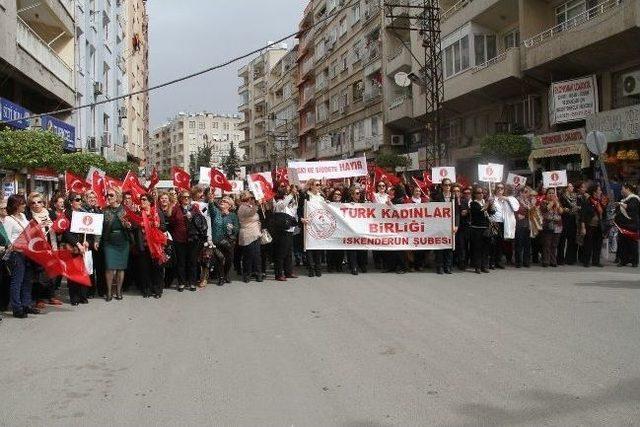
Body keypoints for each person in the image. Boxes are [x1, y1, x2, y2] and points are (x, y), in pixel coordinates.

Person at [25, 192, 62, 308]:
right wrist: (39, 226)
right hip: (37, 248)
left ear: (43, 203)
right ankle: (38, 298)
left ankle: (51, 296)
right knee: (39, 274)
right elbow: (26, 233)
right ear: (29, 205)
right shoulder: (28, 216)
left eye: (39, 202)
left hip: (52, 245)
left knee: (52, 272)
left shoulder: (50, 213)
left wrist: (59, 228)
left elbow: (59, 227)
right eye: (33, 203)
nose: (36, 205)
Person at [4, 194, 38, 318]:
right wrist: (17, 246)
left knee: (27, 280)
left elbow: (29, 231)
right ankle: (16, 308)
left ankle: (26, 304)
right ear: (15, 205)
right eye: (22, 203)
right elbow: (7, 239)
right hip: (16, 253)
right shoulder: (8, 219)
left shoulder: (23, 216)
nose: (24, 205)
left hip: (27, 252)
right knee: (17, 281)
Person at [169, 190, 207, 291]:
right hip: (179, 239)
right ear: (180, 199)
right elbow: (171, 222)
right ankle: (182, 282)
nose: (186, 199)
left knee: (192, 261)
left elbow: (201, 219)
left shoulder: (194, 207)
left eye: (188, 197)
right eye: (184, 197)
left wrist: (192, 215)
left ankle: (192, 283)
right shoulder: (176, 209)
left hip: (193, 239)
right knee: (181, 262)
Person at [62, 192, 92, 306]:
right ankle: (74, 297)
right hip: (72, 247)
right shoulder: (66, 215)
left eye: (80, 200)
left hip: (83, 247)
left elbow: (89, 230)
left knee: (84, 271)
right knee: (73, 272)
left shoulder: (84, 213)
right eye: (77, 200)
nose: (80, 202)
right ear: (71, 202)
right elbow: (66, 232)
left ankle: (83, 295)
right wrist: (77, 243)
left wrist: (87, 242)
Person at [133, 194, 166, 298]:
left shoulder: (157, 212)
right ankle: (146, 289)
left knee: (157, 268)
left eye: (144, 199)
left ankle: (157, 290)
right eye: (141, 199)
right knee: (144, 269)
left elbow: (164, 227)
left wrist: (158, 226)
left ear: (149, 201)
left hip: (155, 246)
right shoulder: (138, 213)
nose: (141, 201)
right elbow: (133, 228)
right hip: (143, 245)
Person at [101, 188, 130, 301]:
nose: (109, 197)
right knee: (109, 267)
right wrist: (98, 240)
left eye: (111, 195)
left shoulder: (125, 210)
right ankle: (109, 292)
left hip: (123, 242)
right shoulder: (104, 210)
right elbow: (100, 227)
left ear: (117, 197)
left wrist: (129, 225)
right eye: (107, 195)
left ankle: (118, 291)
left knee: (120, 268)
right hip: (109, 242)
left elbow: (132, 225)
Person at [209, 196, 239, 286]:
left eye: (225, 201)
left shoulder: (233, 215)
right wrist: (211, 201)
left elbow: (237, 228)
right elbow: (211, 208)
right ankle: (221, 277)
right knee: (220, 259)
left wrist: (232, 229)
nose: (222, 202)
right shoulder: (216, 212)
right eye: (222, 201)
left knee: (229, 260)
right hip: (217, 240)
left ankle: (226, 274)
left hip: (229, 241)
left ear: (229, 205)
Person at [272, 185, 298, 281]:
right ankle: (278, 274)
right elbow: (282, 205)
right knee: (281, 253)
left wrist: (294, 195)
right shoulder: (277, 202)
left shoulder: (290, 203)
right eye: (285, 193)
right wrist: (291, 194)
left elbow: (294, 209)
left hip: (290, 230)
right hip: (282, 231)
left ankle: (288, 272)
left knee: (288, 253)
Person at [237, 192, 263, 283]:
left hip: (256, 233)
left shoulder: (250, 206)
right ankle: (247, 274)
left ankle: (258, 273)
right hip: (248, 234)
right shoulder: (242, 207)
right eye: (251, 198)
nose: (252, 200)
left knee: (257, 255)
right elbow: (251, 214)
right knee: (248, 255)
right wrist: (256, 205)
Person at [433, 179, 457, 274]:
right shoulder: (437, 197)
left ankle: (448, 266)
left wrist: (456, 225)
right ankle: (440, 267)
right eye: (446, 185)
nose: (448, 187)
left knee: (449, 247)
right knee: (440, 247)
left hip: (450, 225)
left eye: (449, 185)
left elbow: (457, 212)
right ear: (442, 186)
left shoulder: (454, 197)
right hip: (439, 226)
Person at [302, 178, 325, 277]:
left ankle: (318, 268)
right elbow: (300, 209)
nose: (319, 186)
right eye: (317, 184)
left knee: (318, 246)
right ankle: (311, 269)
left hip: (319, 225)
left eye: (319, 184)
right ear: (311, 186)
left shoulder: (321, 197)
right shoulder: (306, 196)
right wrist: (301, 218)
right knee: (310, 247)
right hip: (309, 224)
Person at [469, 186, 495, 274]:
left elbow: (492, 212)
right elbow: (481, 210)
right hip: (477, 229)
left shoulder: (484, 202)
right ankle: (477, 266)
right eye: (479, 193)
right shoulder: (473, 203)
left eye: (482, 193)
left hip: (486, 228)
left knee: (486, 248)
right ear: (475, 194)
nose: (481, 194)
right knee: (478, 248)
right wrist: (488, 202)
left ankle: (484, 266)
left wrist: (492, 205)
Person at [580, 184, 606, 268]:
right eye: (599, 190)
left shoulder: (600, 201)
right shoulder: (587, 201)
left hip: (598, 226)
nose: (600, 192)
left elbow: (603, 214)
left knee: (598, 244)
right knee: (588, 244)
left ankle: (596, 261)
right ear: (594, 192)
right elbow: (583, 216)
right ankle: (586, 261)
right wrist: (583, 227)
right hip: (590, 226)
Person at [615, 183, 639, 267]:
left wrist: (620, 204)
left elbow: (631, 207)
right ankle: (623, 260)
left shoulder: (634, 199)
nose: (621, 190)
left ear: (628, 189)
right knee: (622, 243)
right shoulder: (623, 199)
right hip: (623, 225)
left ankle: (634, 261)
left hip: (631, 225)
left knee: (632, 244)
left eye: (623, 189)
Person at [345, 186, 368, 275]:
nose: (359, 195)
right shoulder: (347, 204)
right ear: (352, 195)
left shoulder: (363, 203)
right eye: (357, 193)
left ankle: (362, 265)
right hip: (351, 229)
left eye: (359, 193)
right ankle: (353, 266)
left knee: (362, 248)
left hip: (361, 229)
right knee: (352, 248)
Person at [540, 188, 564, 267]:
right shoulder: (543, 202)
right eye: (549, 193)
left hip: (557, 225)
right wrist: (552, 202)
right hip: (547, 225)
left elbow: (561, 211)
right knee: (547, 244)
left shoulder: (557, 202)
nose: (551, 194)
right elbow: (546, 209)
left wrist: (557, 203)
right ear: (546, 194)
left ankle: (553, 260)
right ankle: (546, 261)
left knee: (554, 245)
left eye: (553, 193)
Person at [157, 192, 176, 289]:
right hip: (159, 238)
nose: (164, 200)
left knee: (170, 260)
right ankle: (159, 281)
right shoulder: (156, 211)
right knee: (161, 259)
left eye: (166, 198)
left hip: (171, 239)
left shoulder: (173, 210)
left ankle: (168, 281)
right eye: (162, 198)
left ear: (169, 200)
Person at [558, 183, 579, 265]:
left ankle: (570, 259)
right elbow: (560, 207)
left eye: (572, 186)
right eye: (570, 186)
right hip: (564, 219)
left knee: (572, 239)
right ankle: (560, 259)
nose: (572, 187)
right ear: (566, 188)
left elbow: (577, 206)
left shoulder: (575, 196)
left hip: (572, 219)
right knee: (562, 240)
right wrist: (563, 209)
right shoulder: (562, 197)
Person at [326, 188, 345, 273]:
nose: (337, 196)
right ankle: (330, 266)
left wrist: (352, 205)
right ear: (332, 195)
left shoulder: (344, 204)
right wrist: (326, 204)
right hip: (331, 229)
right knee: (330, 248)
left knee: (340, 249)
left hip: (341, 229)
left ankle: (339, 265)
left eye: (339, 195)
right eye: (336, 194)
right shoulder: (328, 204)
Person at [514, 186, 533, 268]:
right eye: (525, 192)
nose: (526, 194)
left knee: (527, 244)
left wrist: (532, 206)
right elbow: (514, 211)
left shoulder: (528, 201)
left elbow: (532, 212)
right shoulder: (516, 200)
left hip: (527, 224)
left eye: (527, 192)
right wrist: (517, 215)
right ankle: (518, 262)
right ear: (520, 192)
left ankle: (526, 261)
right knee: (519, 244)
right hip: (519, 224)